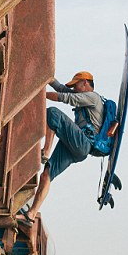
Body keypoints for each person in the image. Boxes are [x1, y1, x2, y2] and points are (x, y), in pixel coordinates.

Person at [17, 71, 103, 226]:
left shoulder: (92, 97)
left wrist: (40, 94)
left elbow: (65, 97)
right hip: (75, 146)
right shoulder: (82, 96)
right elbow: (62, 89)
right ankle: (31, 214)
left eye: (76, 85)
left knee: (53, 114)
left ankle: (46, 151)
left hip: (84, 143)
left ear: (85, 83)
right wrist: (47, 76)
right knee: (46, 175)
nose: (74, 88)